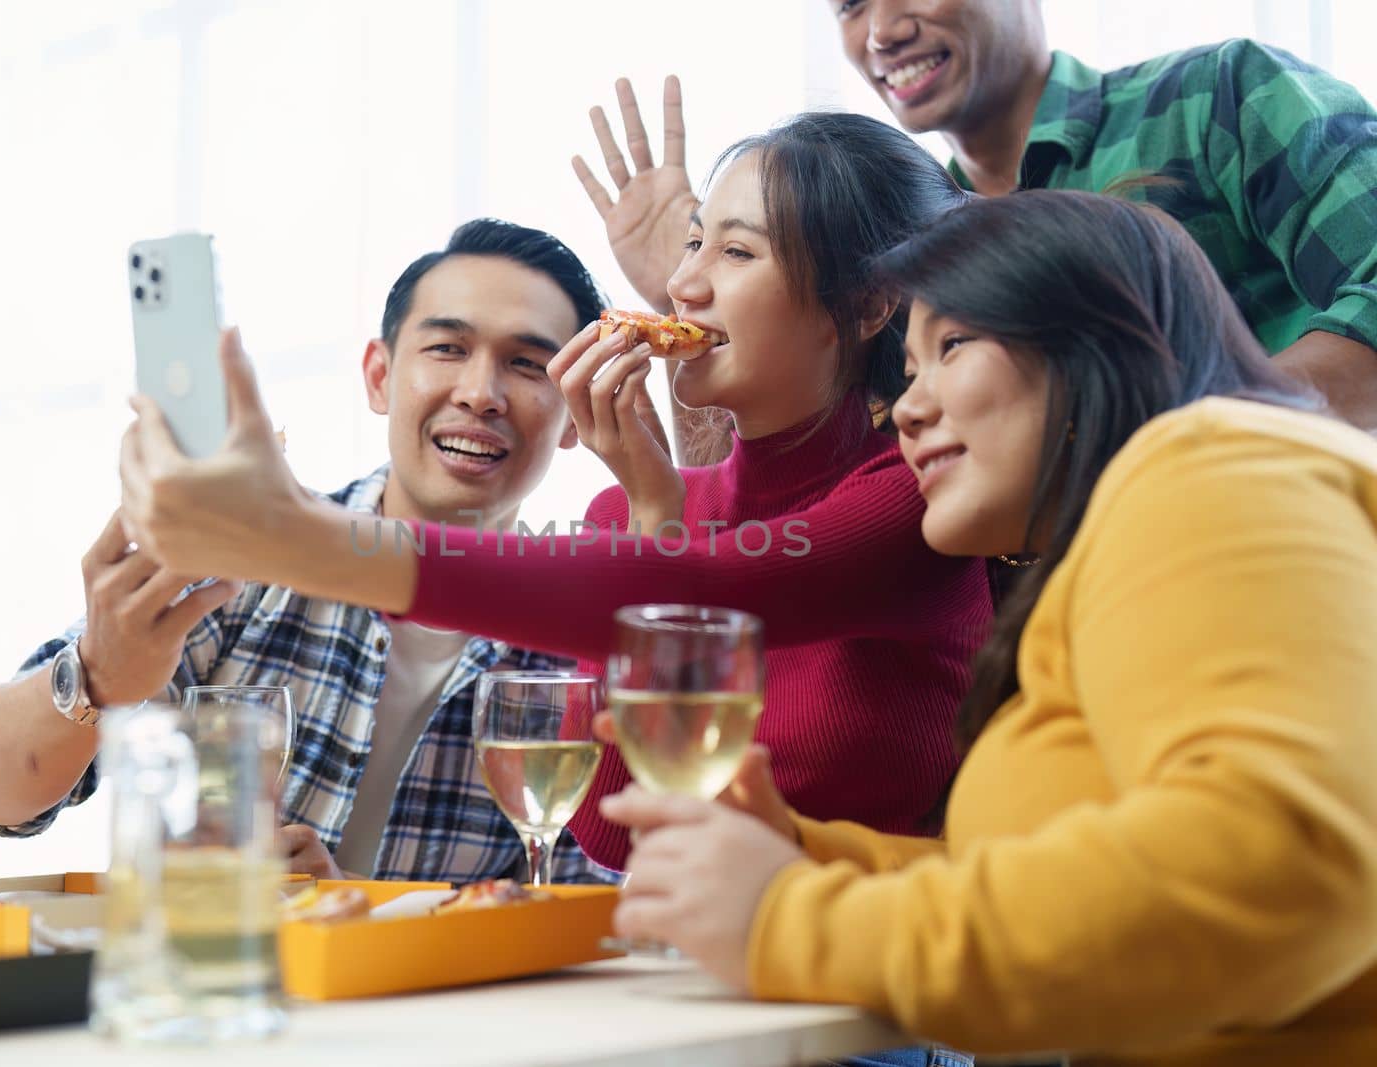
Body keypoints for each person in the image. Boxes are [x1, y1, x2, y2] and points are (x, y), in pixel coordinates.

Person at [598, 190, 1377, 1065]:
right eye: (910, 367)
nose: (909, 409)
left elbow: (1276, 870)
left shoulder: (1212, 472)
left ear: (1094, 339)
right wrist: (802, 856)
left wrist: (789, 917)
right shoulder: (1123, 547)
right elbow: (1047, 887)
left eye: (953, 348)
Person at [115, 113, 993, 873]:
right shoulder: (634, 512)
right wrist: (652, 508)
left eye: (735, 251)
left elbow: (708, 595)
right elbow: (610, 834)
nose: (684, 286)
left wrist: (302, 538)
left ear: (872, 301)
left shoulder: (915, 501)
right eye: (694, 244)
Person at [0, 218, 619, 885]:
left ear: (571, 416)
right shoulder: (246, 560)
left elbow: (599, 914)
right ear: (378, 376)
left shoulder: (579, 641)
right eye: (447, 348)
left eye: (528, 364)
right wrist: (97, 673)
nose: (480, 392)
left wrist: (356, 920)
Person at [577, 7, 1377, 452]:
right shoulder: (888, 246)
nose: (880, 30)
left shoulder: (1218, 98)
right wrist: (689, 314)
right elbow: (771, 500)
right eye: (851, 5)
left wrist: (1175, 444)